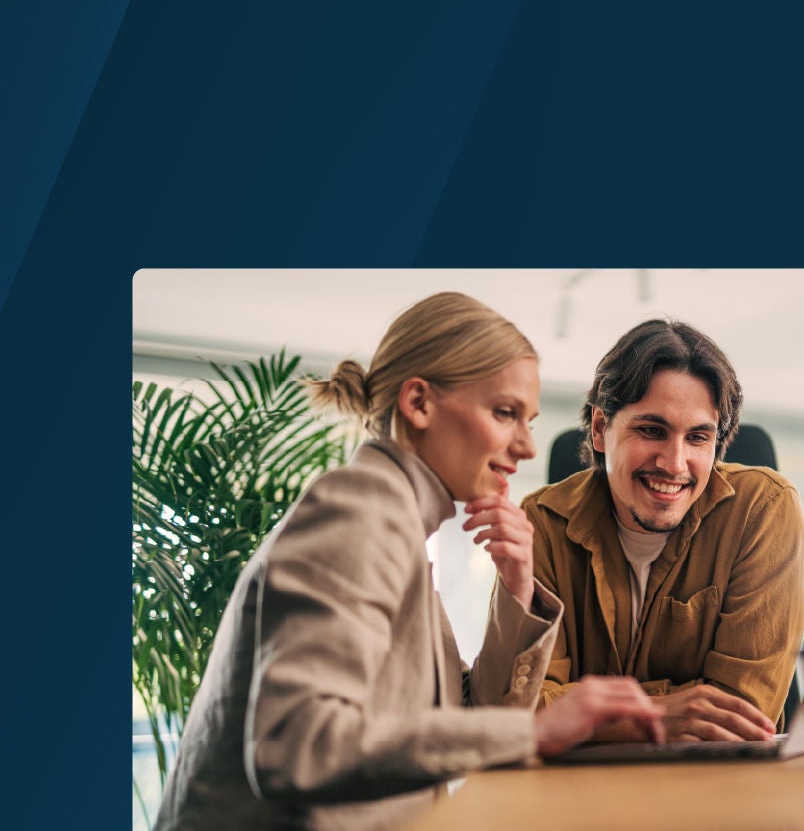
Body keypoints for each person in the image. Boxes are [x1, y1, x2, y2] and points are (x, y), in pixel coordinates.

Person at [155, 292, 663, 830]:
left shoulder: (397, 521)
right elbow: (296, 748)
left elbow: (457, 721)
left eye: (529, 421)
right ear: (418, 404)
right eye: (504, 413)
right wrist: (536, 732)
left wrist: (516, 588)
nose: (527, 449)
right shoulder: (358, 512)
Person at [523, 319, 804, 741]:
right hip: (580, 794)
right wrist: (665, 711)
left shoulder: (763, 509)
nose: (675, 464)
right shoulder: (541, 524)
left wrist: (587, 712)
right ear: (601, 429)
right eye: (652, 431)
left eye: (697, 438)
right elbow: (523, 711)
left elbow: (740, 715)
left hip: (719, 792)